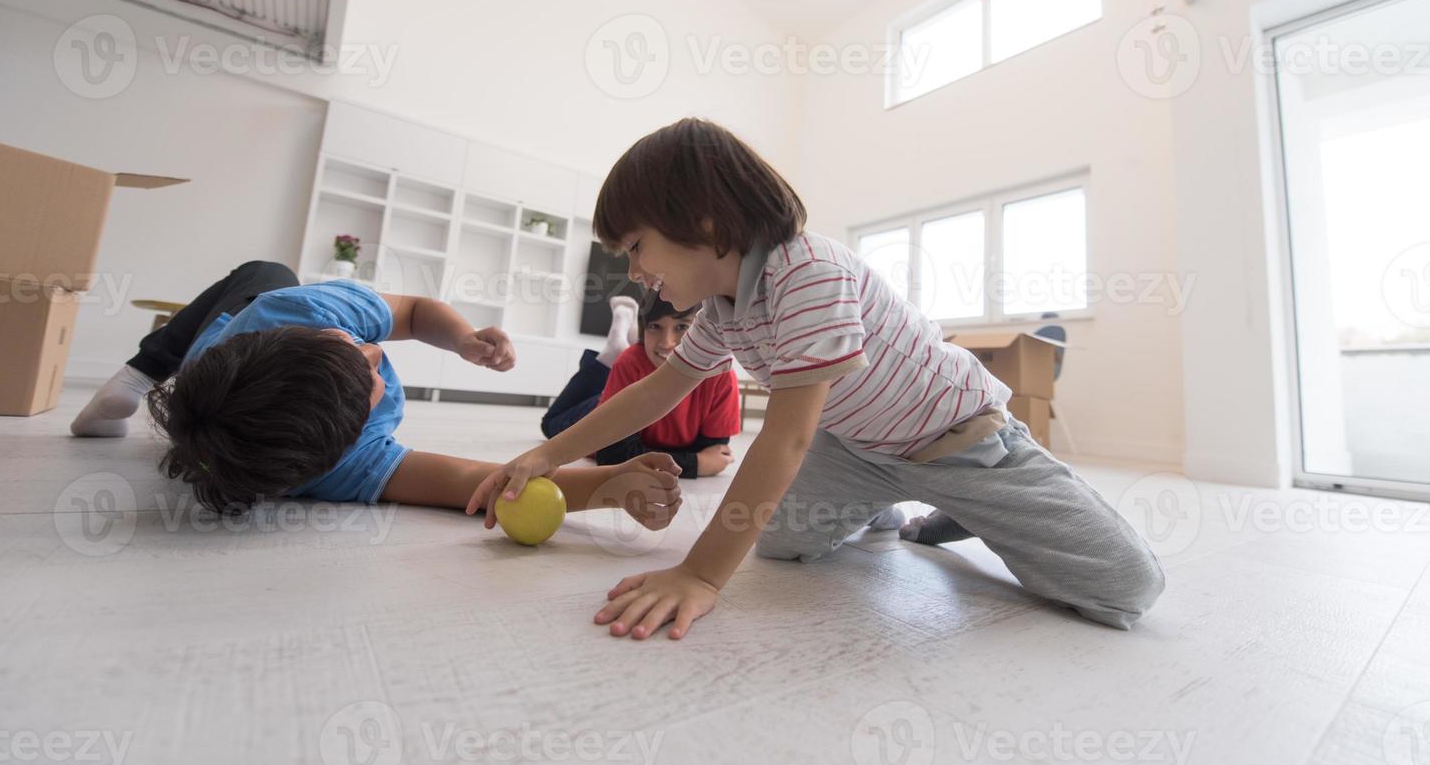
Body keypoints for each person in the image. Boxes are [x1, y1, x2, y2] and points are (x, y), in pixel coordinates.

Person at [470, 118, 1165, 640]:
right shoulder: (719, 308)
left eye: (636, 247)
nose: (634, 271)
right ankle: (891, 508)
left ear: (703, 222)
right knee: (780, 542)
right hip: (861, 452)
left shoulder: (808, 271)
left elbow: (786, 439)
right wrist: (546, 454)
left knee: (1122, 591)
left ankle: (971, 511)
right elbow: (654, 391)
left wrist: (701, 573)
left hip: (962, 443)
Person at [70, 261, 681, 529]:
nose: (373, 353)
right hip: (223, 365)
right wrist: (607, 487)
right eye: (372, 380)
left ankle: (135, 375)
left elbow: (413, 311)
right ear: (345, 442)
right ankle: (138, 377)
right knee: (265, 274)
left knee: (266, 275)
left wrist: (464, 340)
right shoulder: (335, 466)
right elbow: (473, 479)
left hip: (231, 330)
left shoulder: (301, 310)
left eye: (351, 346)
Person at [540, 291, 739, 479]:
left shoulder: (720, 372)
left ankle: (615, 350)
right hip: (606, 404)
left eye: (681, 327)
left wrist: (643, 453)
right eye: (655, 327)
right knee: (550, 424)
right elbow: (611, 455)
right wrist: (696, 464)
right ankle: (609, 355)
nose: (667, 342)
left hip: (631, 389)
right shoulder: (630, 362)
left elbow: (715, 452)